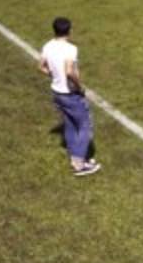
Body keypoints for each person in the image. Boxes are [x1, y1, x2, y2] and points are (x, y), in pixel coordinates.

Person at [37, 18, 101, 177]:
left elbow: (41, 66)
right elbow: (69, 71)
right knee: (85, 126)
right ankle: (79, 164)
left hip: (57, 93)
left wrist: (54, 76)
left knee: (71, 124)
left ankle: (76, 157)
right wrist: (80, 86)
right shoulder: (70, 49)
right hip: (70, 94)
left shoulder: (48, 45)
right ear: (69, 31)